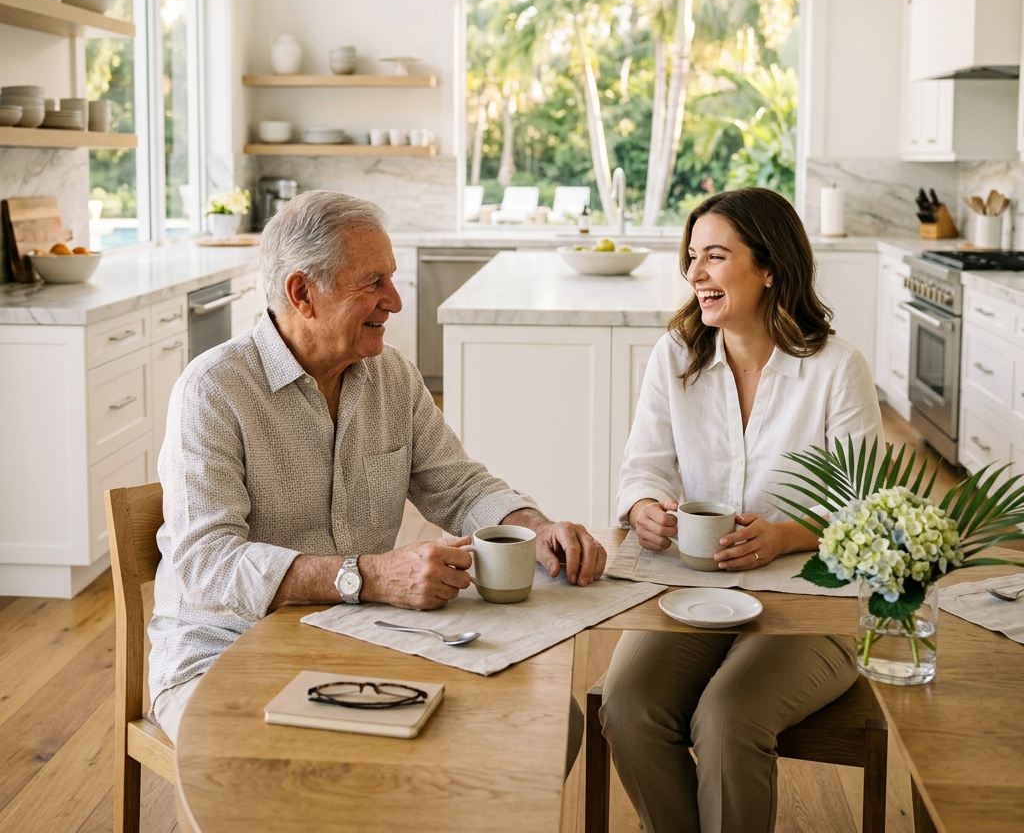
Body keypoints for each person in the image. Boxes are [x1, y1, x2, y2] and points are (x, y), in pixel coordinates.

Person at [149, 190, 606, 744]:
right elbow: (208, 564)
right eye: (373, 283)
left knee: (546, 726)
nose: (394, 300)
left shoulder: (393, 376)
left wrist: (536, 529)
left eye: (391, 279)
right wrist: (367, 575)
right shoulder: (213, 390)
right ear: (302, 294)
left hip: (361, 633)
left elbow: (459, 487)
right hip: (225, 647)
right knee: (289, 757)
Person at [599, 188, 883, 833]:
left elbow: (866, 512)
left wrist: (785, 535)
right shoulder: (677, 355)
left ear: (769, 266)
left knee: (728, 716)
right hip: (695, 591)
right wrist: (644, 507)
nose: (695, 273)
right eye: (692, 256)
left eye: (716, 256)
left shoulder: (837, 369)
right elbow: (643, 466)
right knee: (627, 702)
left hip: (815, 602)